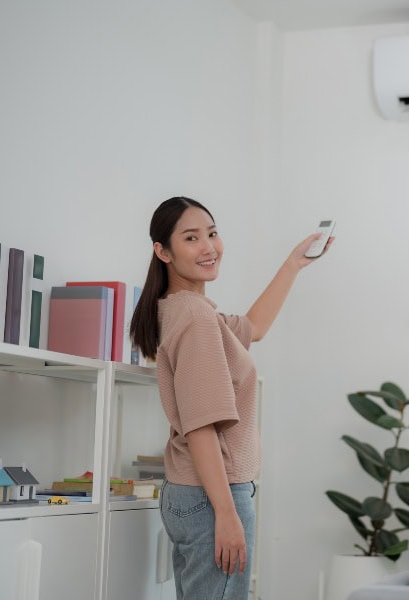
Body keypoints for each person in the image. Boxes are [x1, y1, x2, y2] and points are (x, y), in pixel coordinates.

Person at [130, 196, 333, 600]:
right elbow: (202, 425)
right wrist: (226, 512)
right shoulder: (195, 318)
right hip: (212, 495)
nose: (209, 247)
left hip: (191, 492)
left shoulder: (185, 310)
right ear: (163, 251)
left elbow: (254, 328)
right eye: (191, 238)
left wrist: (293, 264)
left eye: (212, 233)